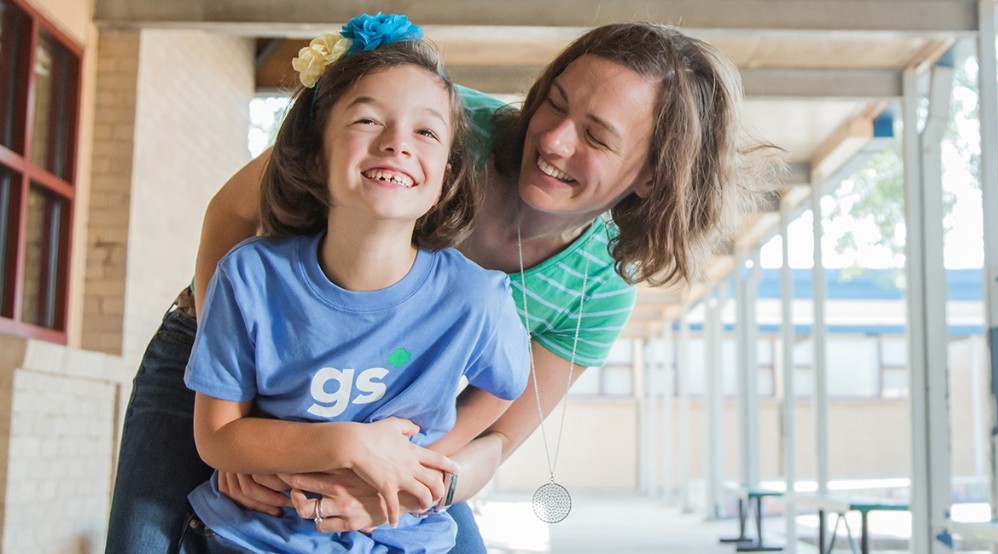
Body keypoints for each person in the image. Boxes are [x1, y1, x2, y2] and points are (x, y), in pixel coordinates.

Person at [106, 20, 774, 553]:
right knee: (144, 536)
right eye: (554, 102)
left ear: (654, 175)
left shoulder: (596, 289)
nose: (555, 139)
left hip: (378, 412)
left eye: (597, 137)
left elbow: (497, 433)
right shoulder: (433, 127)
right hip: (225, 358)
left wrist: (389, 483)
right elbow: (230, 214)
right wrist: (251, 427)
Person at [180, 14, 530, 553]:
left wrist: (415, 457)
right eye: (367, 120)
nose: (396, 143)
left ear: (446, 176)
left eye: (426, 130)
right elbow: (218, 436)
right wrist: (350, 443)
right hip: (252, 535)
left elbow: (505, 387)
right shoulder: (250, 277)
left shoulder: (476, 298)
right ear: (316, 155)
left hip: (400, 539)